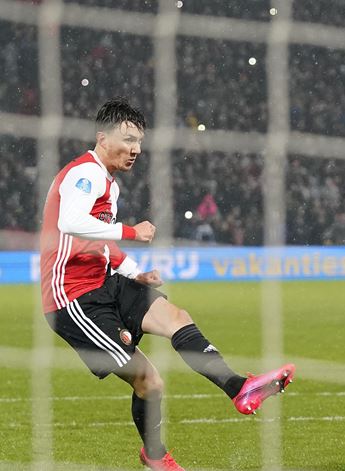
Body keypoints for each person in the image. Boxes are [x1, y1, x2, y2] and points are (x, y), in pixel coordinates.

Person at [39, 98, 295, 471]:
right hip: (73, 298)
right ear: (102, 138)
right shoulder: (86, 173)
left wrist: (133, 272)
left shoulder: (108, 184)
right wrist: (132, 231)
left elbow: (97, 242)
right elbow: (70, 222)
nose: (136, 150)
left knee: (176, 316)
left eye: (139, 142)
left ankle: (239, 388)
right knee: (150, 382)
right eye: (128, 140)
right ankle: (154, 457)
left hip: (104, 281)